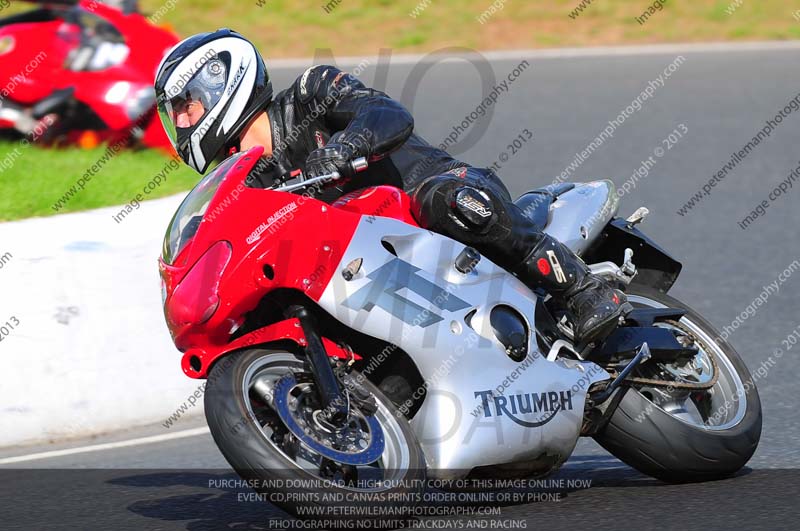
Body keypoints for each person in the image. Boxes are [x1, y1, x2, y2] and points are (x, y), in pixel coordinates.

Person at [154, 29, 628, 347]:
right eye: (170, 111)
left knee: (446, 202)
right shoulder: (245, 185)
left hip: (436, 193)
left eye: (184, 105)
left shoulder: (310, 93)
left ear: (222, 82)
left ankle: (582, 290)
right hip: (375, 265)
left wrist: (344, 148)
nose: (177, 120)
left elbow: (388, 114)